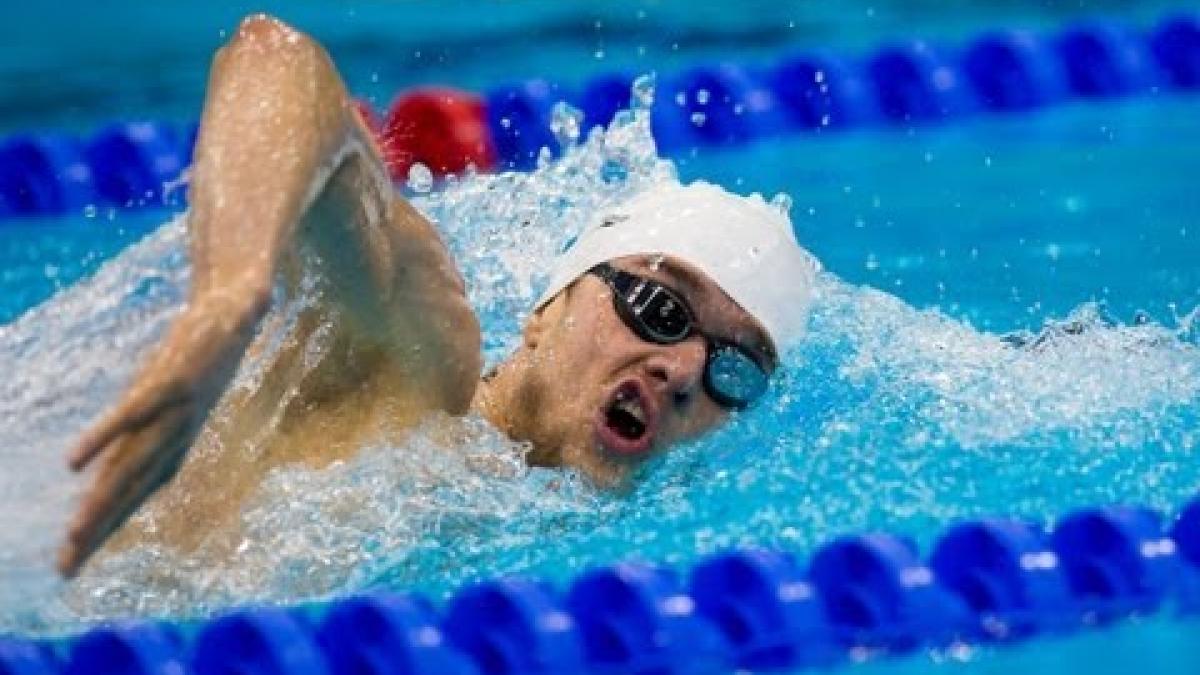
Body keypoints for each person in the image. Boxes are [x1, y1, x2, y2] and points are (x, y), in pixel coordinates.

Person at [57, 14, 817, 577]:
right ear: (545, 311)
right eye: (661, 309)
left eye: (734, 369)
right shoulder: (418, 358)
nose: (682, 370)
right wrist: (229, 291)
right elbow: (273, 59)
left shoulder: (578, 547)